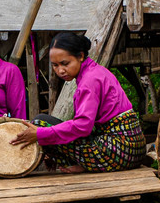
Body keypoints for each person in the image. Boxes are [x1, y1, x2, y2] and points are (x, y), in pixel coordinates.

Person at [8, 32, 144, 175]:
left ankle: (78, 164)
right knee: (45, 121)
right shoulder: (96, 71)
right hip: (132, 150)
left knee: (40, 124)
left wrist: (41, 134)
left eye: (65, 63)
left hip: (119, 152)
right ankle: (86, 164)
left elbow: (83, 126)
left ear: (80, 56)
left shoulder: (89, 81)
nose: (60, 70)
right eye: (55, 65)